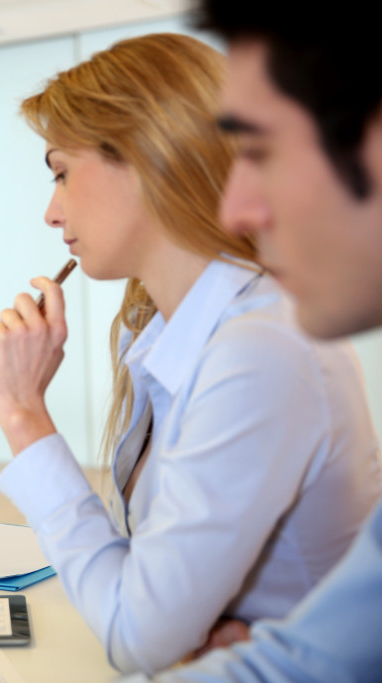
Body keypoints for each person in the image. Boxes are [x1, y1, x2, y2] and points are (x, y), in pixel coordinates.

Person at [0, 33, 381, 675]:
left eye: (61, 172)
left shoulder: (260, 348)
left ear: (145, 158)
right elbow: (144, 592)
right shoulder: (152, 328)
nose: (52, 213)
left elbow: (137, 634)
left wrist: (24, 414)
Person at [117, 4, 382, 681]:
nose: (237, 210)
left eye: (261, 150)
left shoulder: (262, 345)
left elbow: (141, 632)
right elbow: (317, 656)